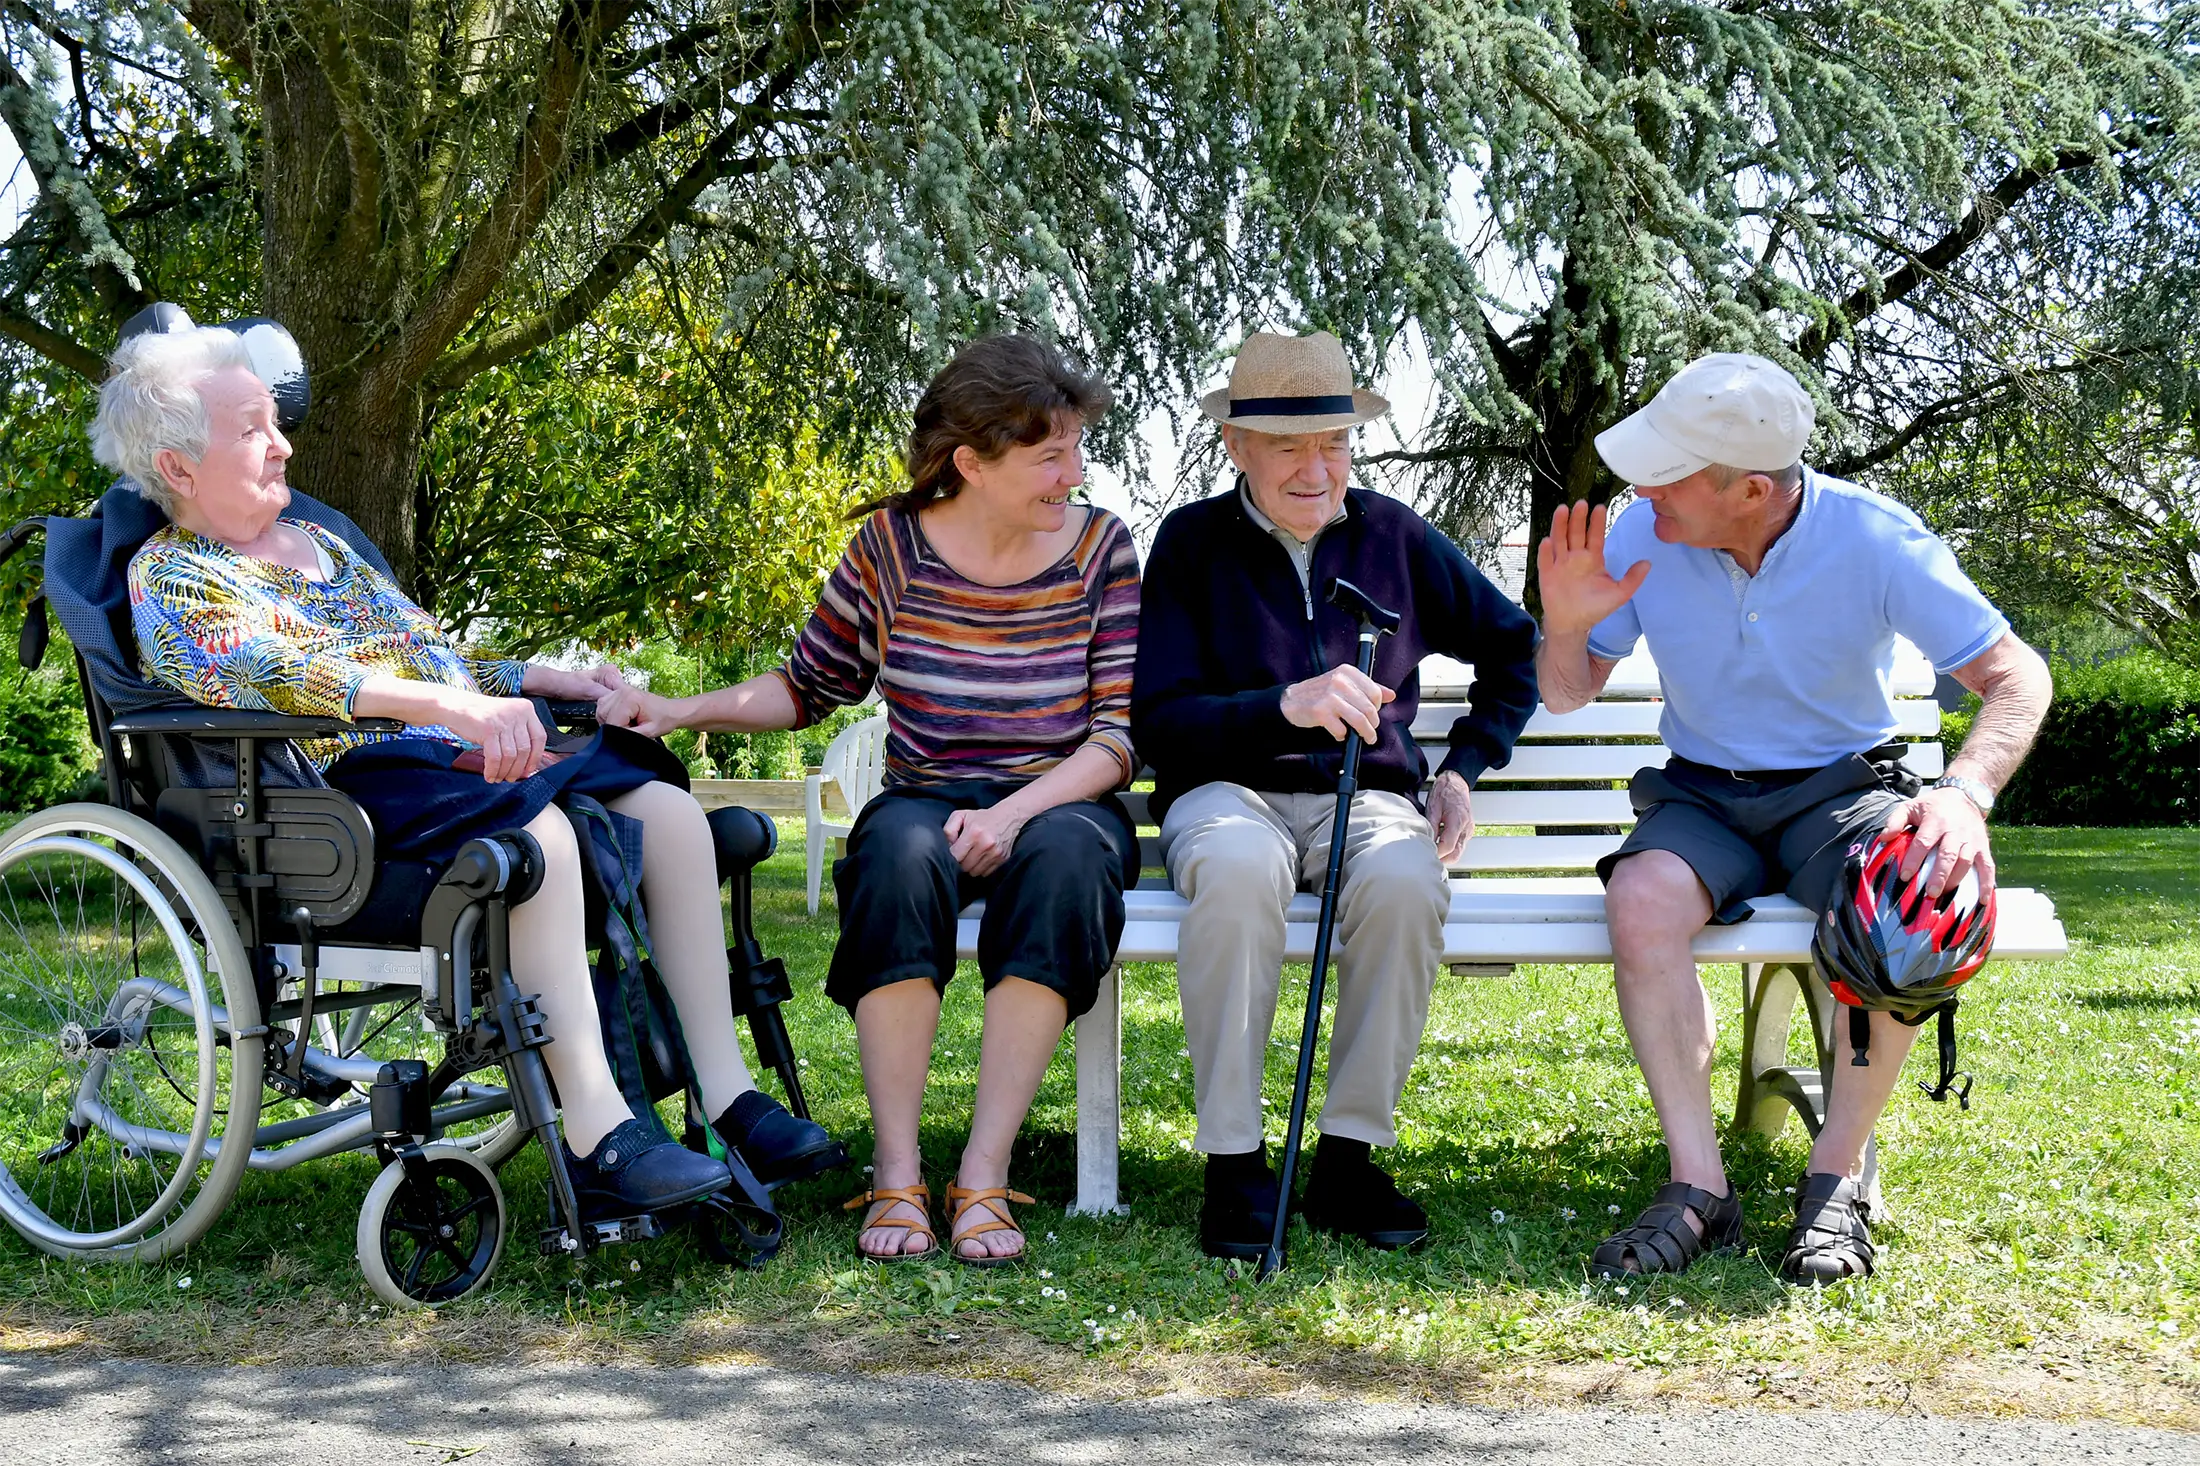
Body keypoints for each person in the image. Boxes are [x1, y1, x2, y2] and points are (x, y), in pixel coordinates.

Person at [101, 326, 839, 1223]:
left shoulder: (319, 546)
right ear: (179, 468)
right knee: (542, 837)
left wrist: (537, 680)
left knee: (671, 813)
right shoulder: (174, 578)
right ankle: (600, 1132)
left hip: (440, 755)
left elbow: (434, 661)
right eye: (253, 429)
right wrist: (452, 712)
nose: (284, 442)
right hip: (346, 795)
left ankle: (724, 1098)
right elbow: (289, 674)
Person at [596, 335, 1141, 1266]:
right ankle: (898, 1175)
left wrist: (1012, 816)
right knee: (891, 856)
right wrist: (679, 709)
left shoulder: (1102, 549)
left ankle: (982, 1175)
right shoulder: (889, 550)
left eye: (1074, 450)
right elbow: (810, 684)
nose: (1073, 473)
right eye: (1050, 454)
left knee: (1065, 867)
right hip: (924, 795)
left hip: (1062, 799)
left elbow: (1118, 738)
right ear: (972, 462)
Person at [1536, 351, 2052, 1282]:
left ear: (1752, 489)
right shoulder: (1641, 535)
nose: (1641, 487)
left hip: (1839, 790)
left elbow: (2017, 675)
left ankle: (1835, 1181)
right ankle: (1699, 1190)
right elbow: (1566, 694)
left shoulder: (1877, 538)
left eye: (1667, 471)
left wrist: (1965, 793)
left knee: (1910, 906)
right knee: (1642, 899)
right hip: (1702, 793)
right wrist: (1567, 627)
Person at [1131, 330, 1538, 1258]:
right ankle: (1233, 1164)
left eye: (1336, 444)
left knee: (1405, 881)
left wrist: (1462, 769)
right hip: (1228, 796)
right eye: (1289, 448)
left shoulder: (1394, 535)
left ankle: (1347, 1160)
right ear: (1236, 447)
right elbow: (1161, 721)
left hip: (1372, 798)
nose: (1318, 470)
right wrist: (1286, 707)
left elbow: (1514, 649)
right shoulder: (1191, 543)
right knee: (1234, 871)